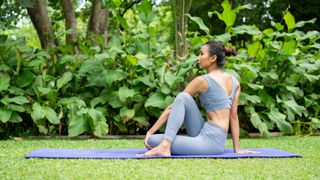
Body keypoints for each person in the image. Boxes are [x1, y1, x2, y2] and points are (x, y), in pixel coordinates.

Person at [141, 41, 256, 156]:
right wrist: (237, 149)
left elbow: (172, 108)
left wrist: (150, 132)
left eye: (201, 54)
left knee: (153, 140)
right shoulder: (235, 82)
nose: (198, 58)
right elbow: (234, 116)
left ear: (213, 58)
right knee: (184, 98)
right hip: (214, 139)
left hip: (209, 144)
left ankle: (165, 146)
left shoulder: (202, 81)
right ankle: (166, 144)